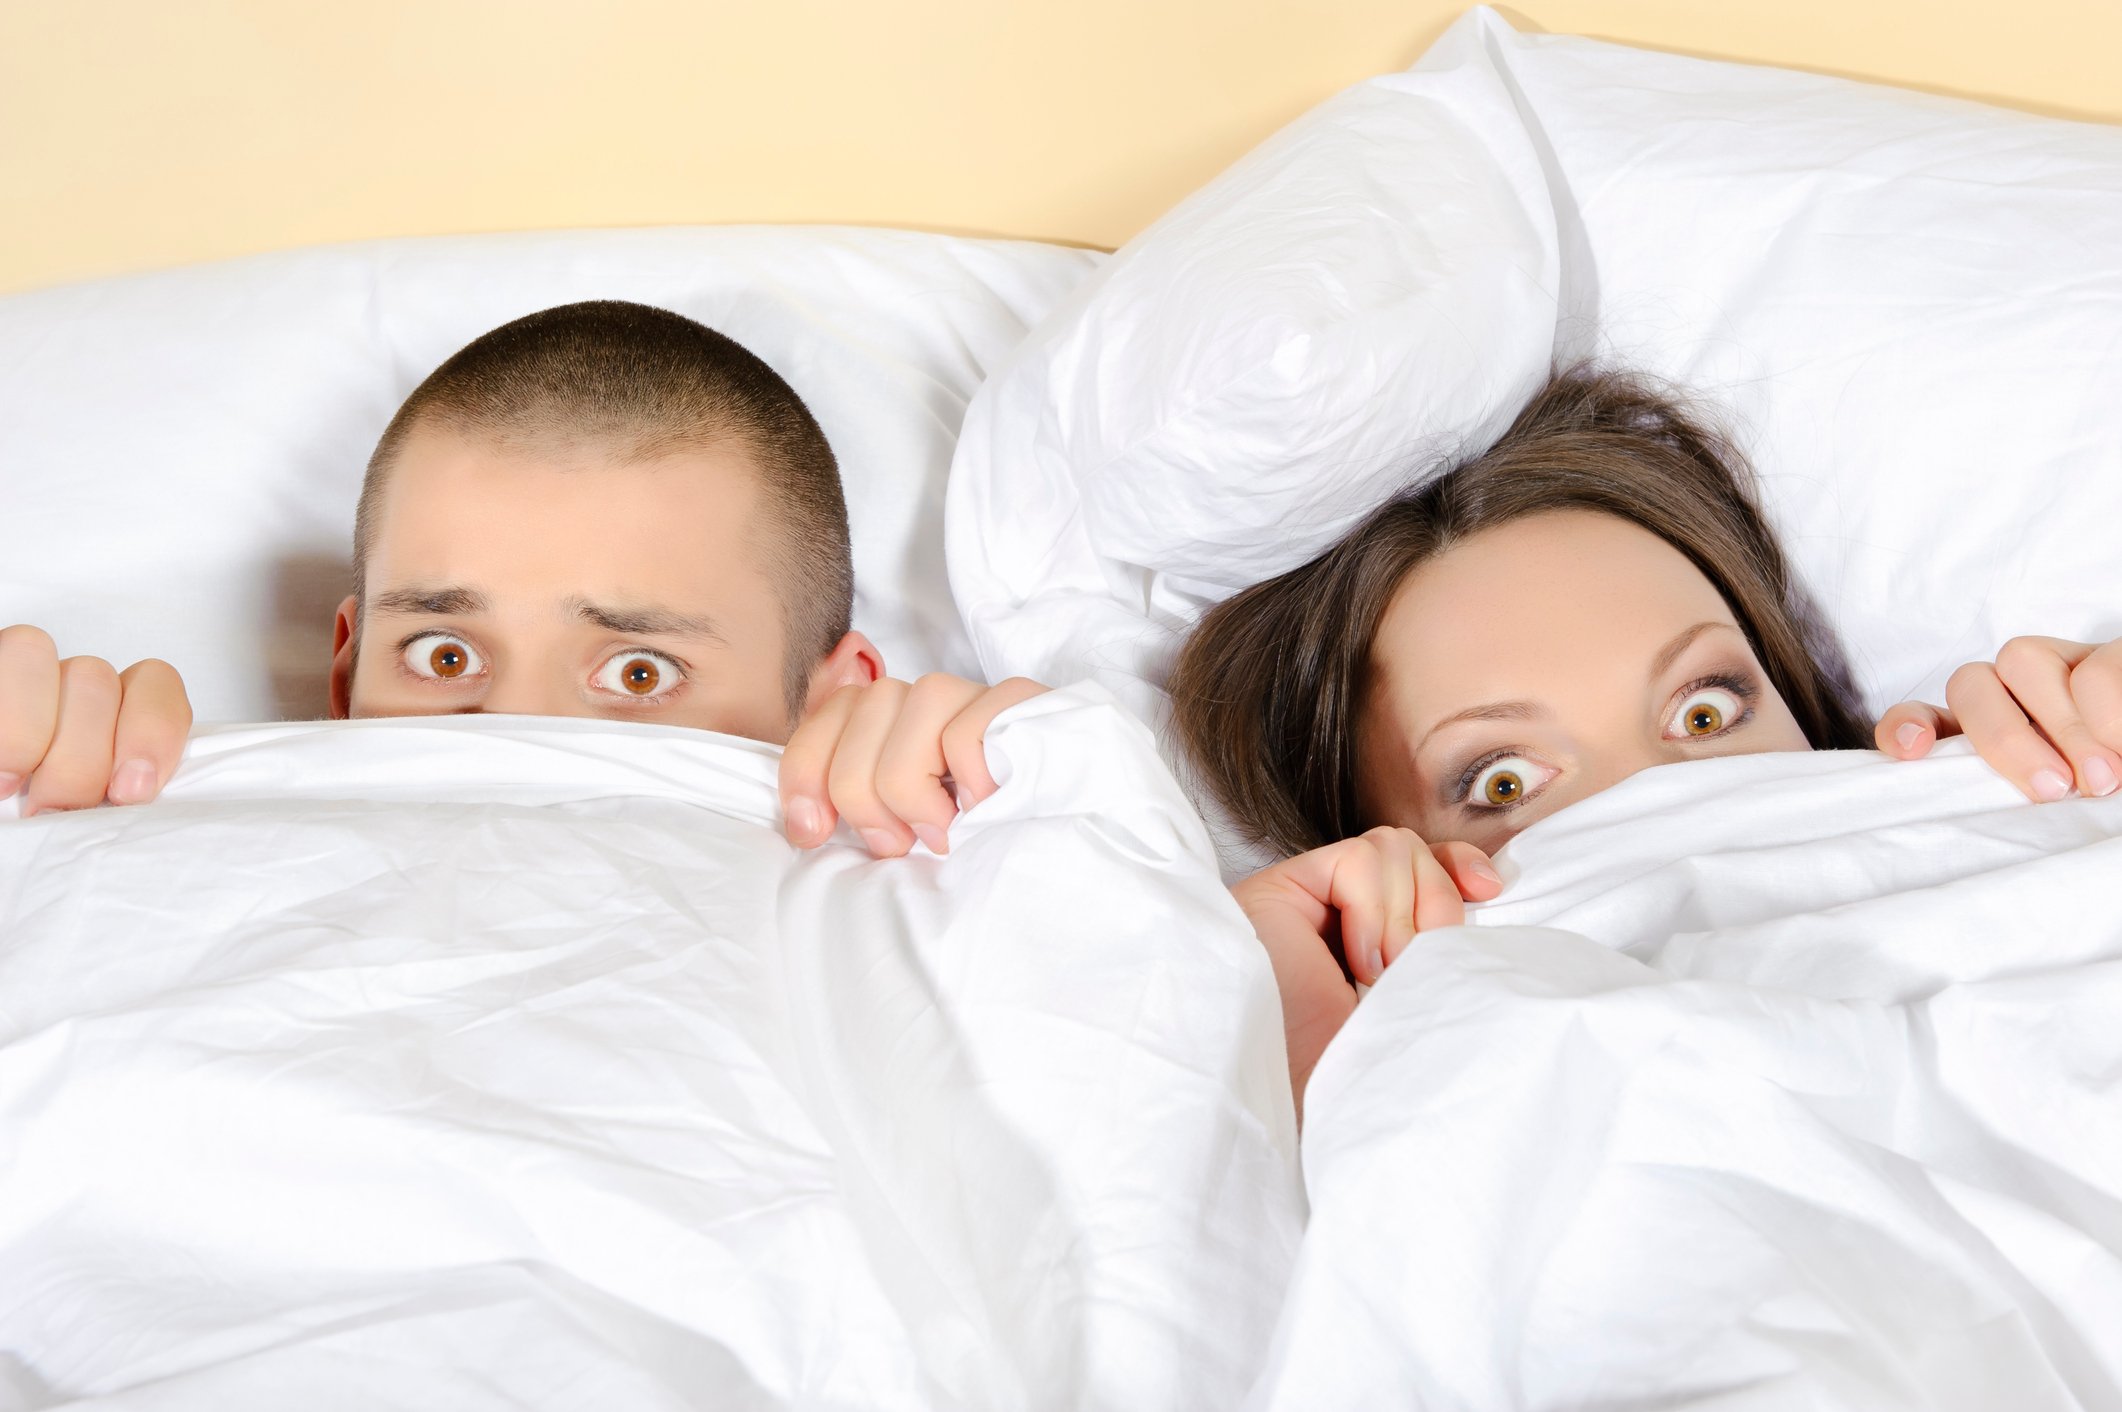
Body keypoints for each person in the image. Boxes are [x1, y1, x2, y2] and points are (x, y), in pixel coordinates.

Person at [1167, 366, 2122, 1104]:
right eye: (1503, 784)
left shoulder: (1998, 797)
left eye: (1704, 711)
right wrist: (1280, 1002)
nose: (1657, 789)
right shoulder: (1378, 1049)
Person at [0, 300, 1041, 855]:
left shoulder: (935, 880)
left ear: (832, 698)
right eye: (443, 653)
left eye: (640, 671)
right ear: (345, 679)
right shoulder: (139, 825)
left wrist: (1040, 795)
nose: (512, 726)